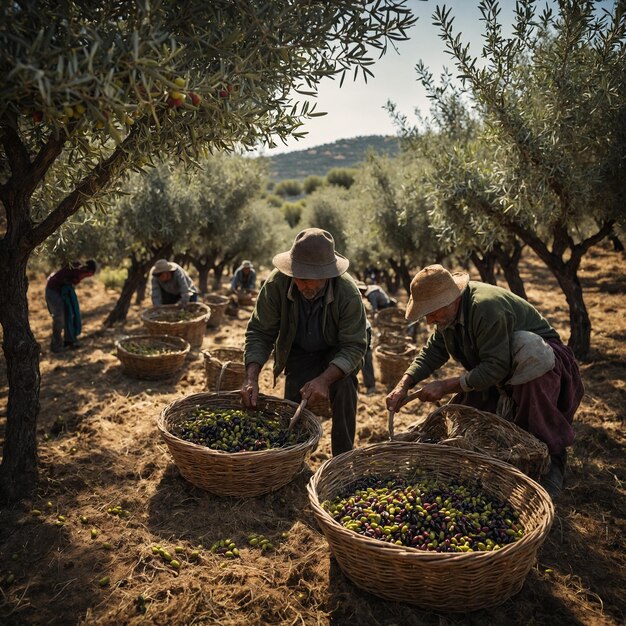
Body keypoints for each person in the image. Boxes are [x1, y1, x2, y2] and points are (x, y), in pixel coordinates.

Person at [385, 264, 584, 499]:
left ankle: (555, 459)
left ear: (451, 299)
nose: (429, 320)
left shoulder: (484, 308)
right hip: (497, 363)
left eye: (432, 312)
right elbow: (433, 351)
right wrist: (403, 384)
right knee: (469, 418)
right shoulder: (447, 316)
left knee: (530, 370)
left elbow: (495, 367)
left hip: (540, 365)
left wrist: (445, 385)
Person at [241, 228, 368, 456]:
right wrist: (251, 378)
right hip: (298, 351)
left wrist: (324, 380)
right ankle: (294, 458)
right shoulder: (276, 284)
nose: (304, 286)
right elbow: (260, 331)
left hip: (335, 354)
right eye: (300, 279)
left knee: (345, 389)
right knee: (292, 407)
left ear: (327, 275)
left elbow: (354, 345)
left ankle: (342, 457)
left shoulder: (347, 293)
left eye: (312, 281)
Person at [45, 260, 97, 353]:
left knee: (67, 317)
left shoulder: (78, 271)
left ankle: (68, 341)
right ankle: (56, 346)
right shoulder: (76, 269)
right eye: (88, 274)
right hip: (53, 291)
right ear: (86, 269)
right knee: (59, 319)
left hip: (58, 292)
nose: (86, 277)